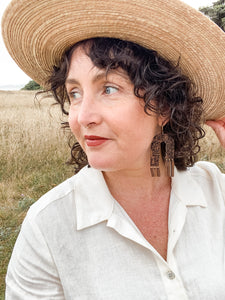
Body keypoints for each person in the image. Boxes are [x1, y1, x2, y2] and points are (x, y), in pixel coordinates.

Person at [2, 0, 225, 299]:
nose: (83, 117)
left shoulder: (216, 192)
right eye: (75, 93)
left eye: (108, 89)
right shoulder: (47, 228)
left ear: (165, 105)